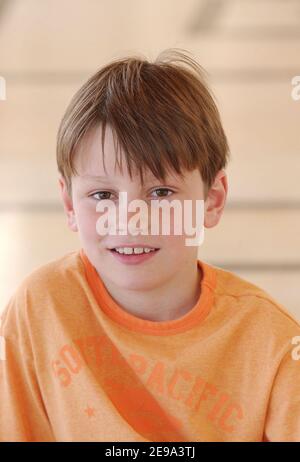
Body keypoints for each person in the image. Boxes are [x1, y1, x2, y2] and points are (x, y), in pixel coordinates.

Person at [0, 48, 299, 442]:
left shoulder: (273, 345)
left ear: (212, 200)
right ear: (70, 204)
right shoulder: (40, 309)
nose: (129, 219)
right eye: (103, 195)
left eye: (160, 191)